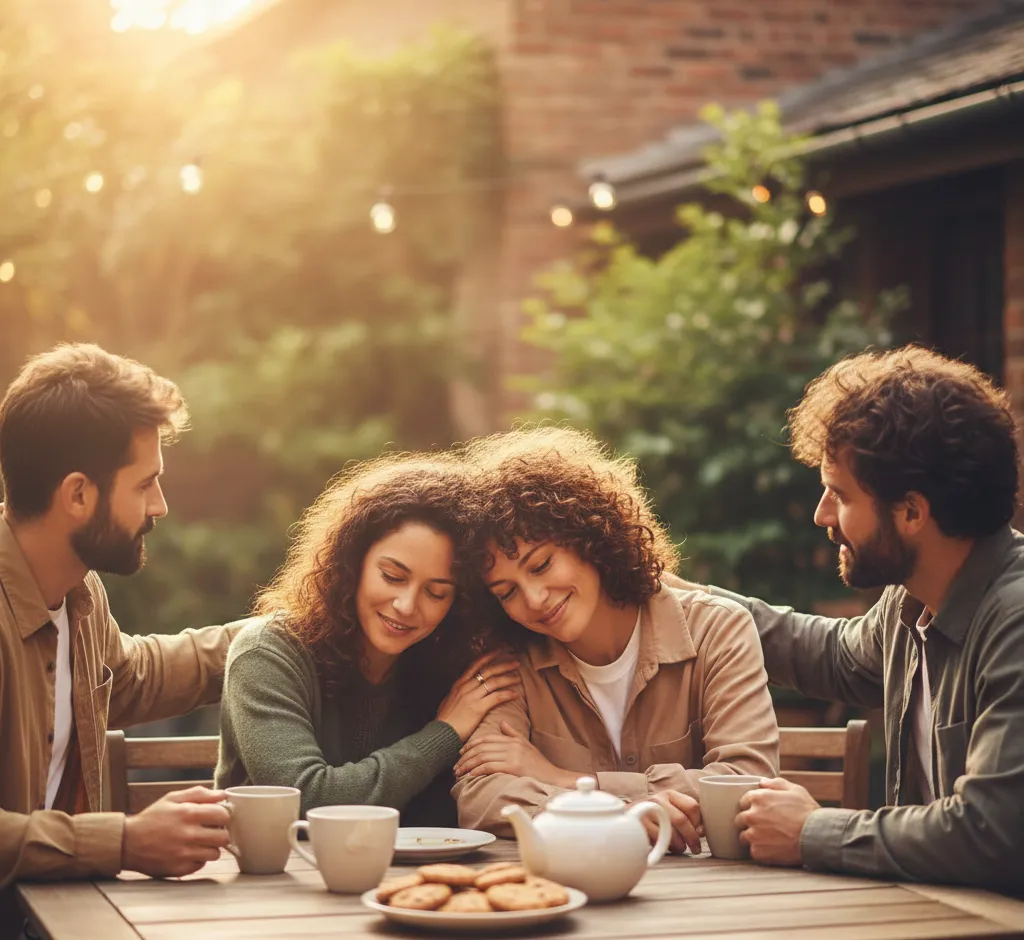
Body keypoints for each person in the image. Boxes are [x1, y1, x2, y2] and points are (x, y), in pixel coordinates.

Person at [698, 346, 1024, 893]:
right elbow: (832, 654)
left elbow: (990, 833)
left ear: (912, 512)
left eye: (840, 494)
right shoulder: (912, 602)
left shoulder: (1013, 621)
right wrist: (691, 601)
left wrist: (811, 831)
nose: (822, 514)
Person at [0, 344, 241, 935]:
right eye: (145, 484)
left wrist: (285, 634)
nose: (160, 504)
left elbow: (130, 675)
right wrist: (126, 841)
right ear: (78, 494)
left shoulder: (78, 595)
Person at [451, 427, 779, 853]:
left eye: (542, 564)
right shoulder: (510, 661)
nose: (533, 599)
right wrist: (618, 812)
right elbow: (480, 797)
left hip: (709, 899)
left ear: (589, 539)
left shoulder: (718, 630)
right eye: (507, 592)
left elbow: (744, 782)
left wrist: (566, 782)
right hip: (569, 891)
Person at [216, 453, 520, 824]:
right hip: (277, 874)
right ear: (352, 563)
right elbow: (307, 799)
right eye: (392, 576)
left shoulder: (446, 665)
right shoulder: (267, 652)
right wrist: (444, 732)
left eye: (436, 593)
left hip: (406, 873)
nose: (407, 606)